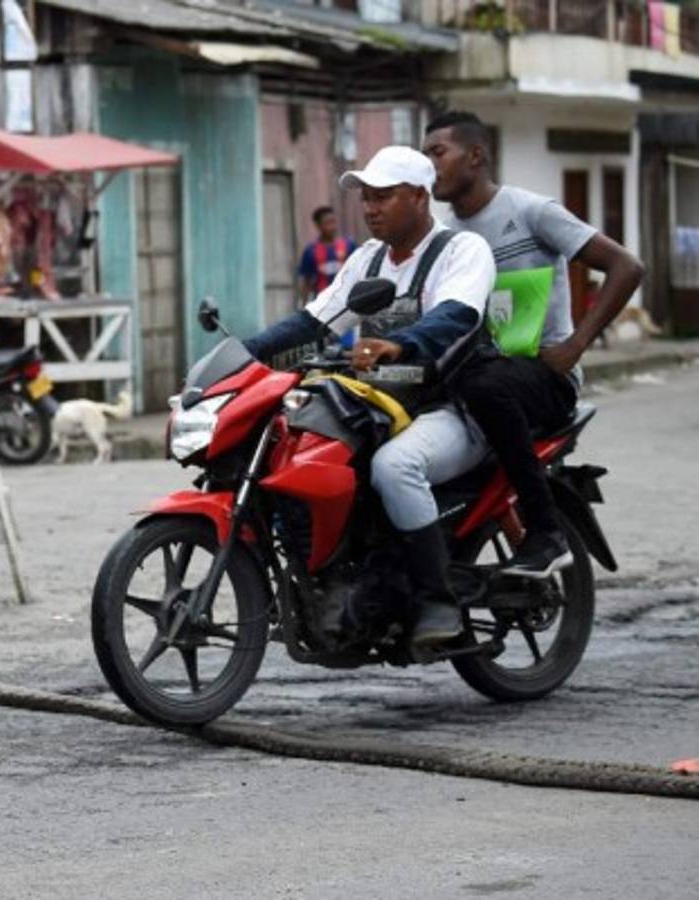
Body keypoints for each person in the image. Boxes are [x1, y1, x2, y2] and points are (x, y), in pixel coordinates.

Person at [245, 146, 496, 648]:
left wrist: (401, 343)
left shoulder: (462, 251)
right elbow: (315, 320)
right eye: (367, 198)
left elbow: (457, 316)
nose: (371, 208)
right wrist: (240, 353)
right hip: (383, 406)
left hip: (452, 409)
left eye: (383, 196)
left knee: (394, 468)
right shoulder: (368, 259)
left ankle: (437, 601)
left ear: (421, 197)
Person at [422, 110, 644, 576]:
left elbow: (626, 266)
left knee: (484, 386)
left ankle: (546, 531)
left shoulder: (530, 211)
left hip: (544, 375)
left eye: (438, 152)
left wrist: (576, 345)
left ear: (476, 155)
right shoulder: (446, 238)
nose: (429, 165)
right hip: (479, 373)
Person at [297, 205, 356, 305]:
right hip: (322, 302)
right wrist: (303, 304)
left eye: (333, 221)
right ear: (318, 225)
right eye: (327, 223)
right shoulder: (310, 251)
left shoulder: (348, 245)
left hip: (346, 300)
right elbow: (306, 281)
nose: (332, 226)